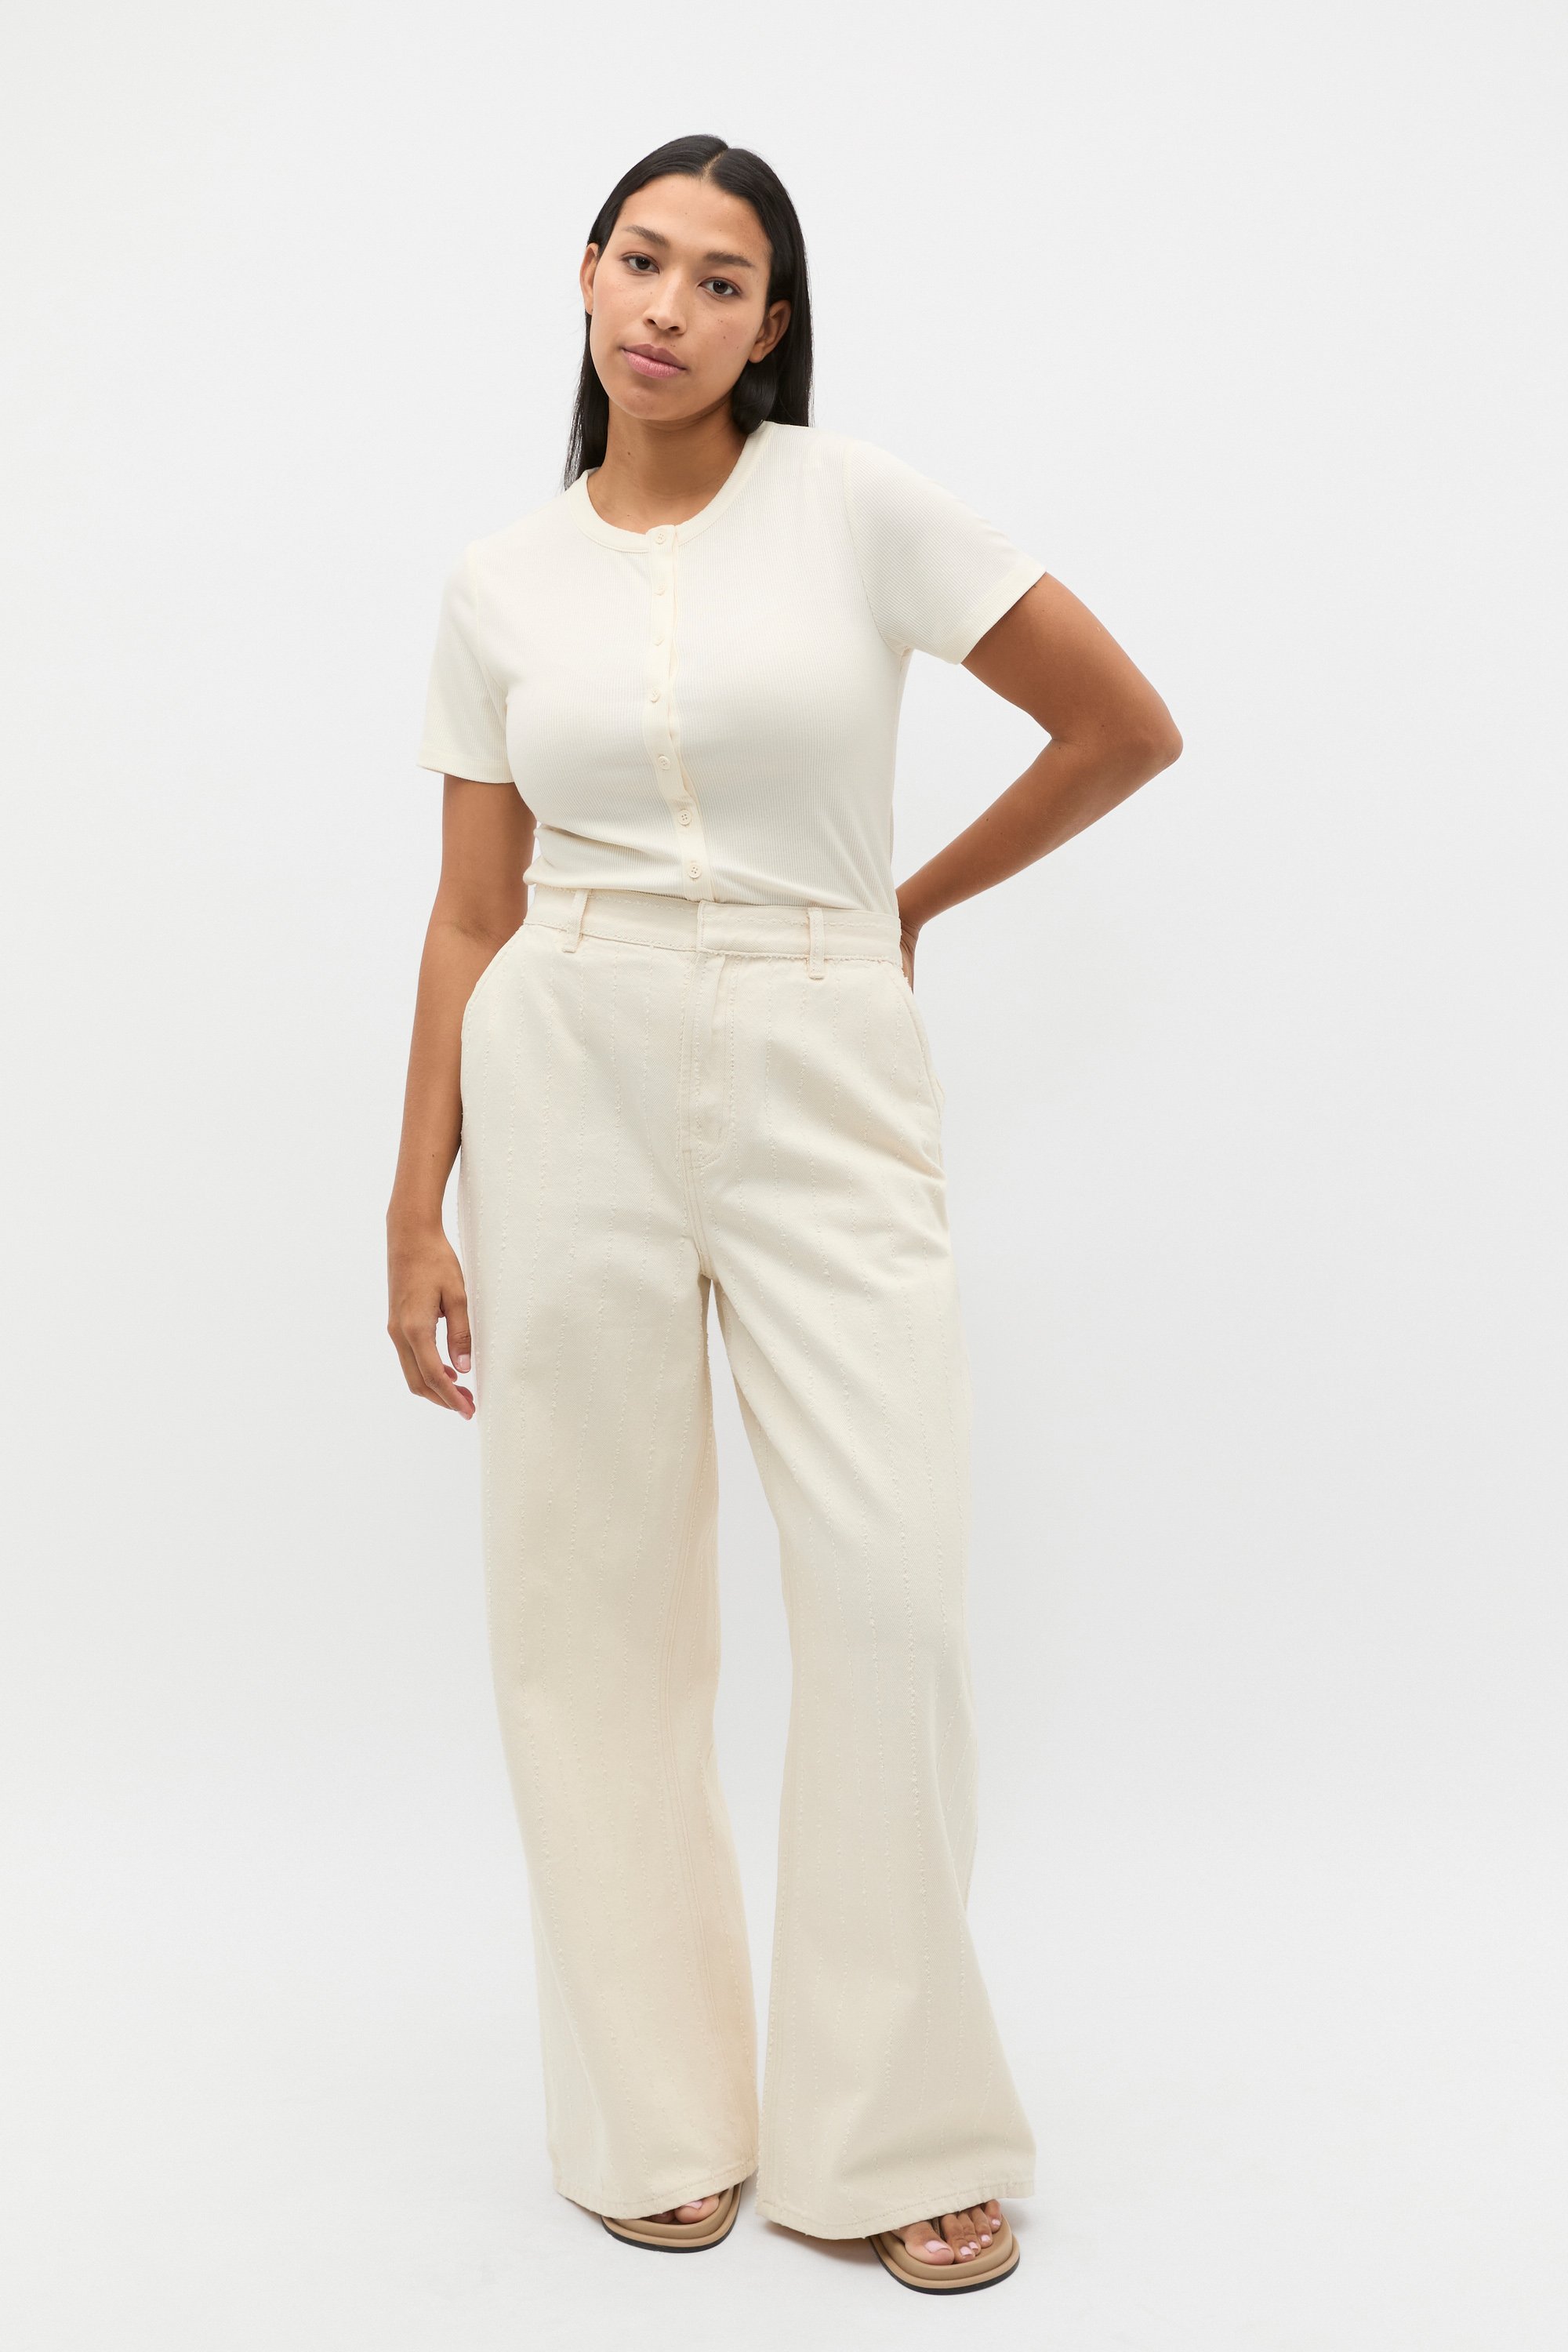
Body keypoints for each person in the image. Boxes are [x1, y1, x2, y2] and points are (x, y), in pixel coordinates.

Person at [386, 132, 1181, 2296]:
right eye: (640, 260)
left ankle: (890, 2131)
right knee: (589, 1610)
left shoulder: (860, 509)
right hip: (567, 1065)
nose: (669, 306)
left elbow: (1120, 726)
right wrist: (415, 1206)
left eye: (720, 278)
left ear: (772, 322)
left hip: (827, 1058)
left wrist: (903, 901)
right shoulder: (498, 584)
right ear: (584, 278)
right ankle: (648, 2110)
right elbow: (469, 915)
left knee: (891, 1594)